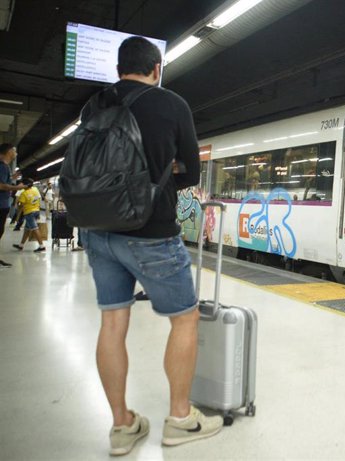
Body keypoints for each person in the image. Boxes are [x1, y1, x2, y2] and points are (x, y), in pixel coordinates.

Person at [78, 36, 222, 456]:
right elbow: (191, 172)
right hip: (150, 233)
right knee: (185, 319)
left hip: (98, 231)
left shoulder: (94, 105)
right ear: (156, 68)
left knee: (112, 323)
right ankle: (180, 419)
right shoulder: (172, 104)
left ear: (118, 68)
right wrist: (160, 184)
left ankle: (122, 426)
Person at [0, 143, 28, 267]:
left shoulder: (4, 167)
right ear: (9, 151)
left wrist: (12, 177)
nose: (16, 153)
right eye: (14, 150)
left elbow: (3, 181)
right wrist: (18, 187)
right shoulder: (2, 166)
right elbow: (1, 185)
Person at [12, 178, 46, 252]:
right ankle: (21, 245)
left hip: (29, 213)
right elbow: (39, 199)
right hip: (36, 211)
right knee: (27, 229)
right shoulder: (35, 189)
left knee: (35, 228)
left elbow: (20, 205)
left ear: (25, 185)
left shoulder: (24, 193)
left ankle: (41, 246)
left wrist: (18, 205)